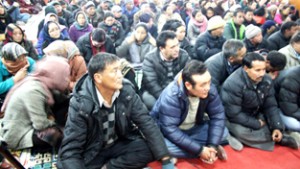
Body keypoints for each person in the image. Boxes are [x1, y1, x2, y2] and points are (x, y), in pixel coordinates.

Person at [57, 53, 174, 169]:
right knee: (66, 162)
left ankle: (109, 166)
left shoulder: (126, 90)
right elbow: (72, 148)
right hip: (92, 150)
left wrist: (165, 158)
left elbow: (146, 122)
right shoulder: (81, 103)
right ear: (98, 77)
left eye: (120, 70)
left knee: (150, 149)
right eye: (114, 71)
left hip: (117, 142)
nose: (120, 75)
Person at [150, 60, 228, 163]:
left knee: (224, 132)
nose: (208, 88)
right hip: (171, 132)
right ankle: (202, 151)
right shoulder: (171, 95)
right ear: (188, 85)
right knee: (163, 146)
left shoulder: (209, 88)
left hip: (195, 128)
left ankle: (209, 149)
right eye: (203, 85)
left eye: (209, 82)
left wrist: (212, 145)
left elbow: (217, 115)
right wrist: (200, 150)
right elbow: (170, 129)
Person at [221, 52, 300, 151]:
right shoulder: (233, 84)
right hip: (237, 117)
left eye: (263, 69)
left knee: (275, 120)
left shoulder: (266, 79)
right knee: (240, 132)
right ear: (246, 69)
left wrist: (277, 127)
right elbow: (234, 114)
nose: (262, 73)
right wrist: (256, 123)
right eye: (257, 70)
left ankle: (276, 133)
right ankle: (280, 139)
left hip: (257, 112)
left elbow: (271, 105)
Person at [0, 56, 70, 150]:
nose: (66, 78)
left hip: (31, 124)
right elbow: (40, 125)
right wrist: (59, 126)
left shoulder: (42, 82)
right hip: (19, 132)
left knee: (64, 102)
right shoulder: (33, 90)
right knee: (57, 136)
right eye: (64, 75)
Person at [141, 30, 189, 110]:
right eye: (172, 47)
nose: (177, 49)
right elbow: (152, 85)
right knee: (148, 99)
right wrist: (168, 99)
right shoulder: (150, 59)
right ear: (162, 48)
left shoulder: (183, 55)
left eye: (177, 45)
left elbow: (189, 77)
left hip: (178, 91)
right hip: (158, 92)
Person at [0, 42, 35, 109]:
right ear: (9, 60)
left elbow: (38, 79)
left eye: (23, 56)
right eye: (19, 58)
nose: (23, 60)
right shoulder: (1, 66)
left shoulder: (29, 62)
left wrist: (27, 76)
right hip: (4, 100)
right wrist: (14, 79)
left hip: (25, 96)